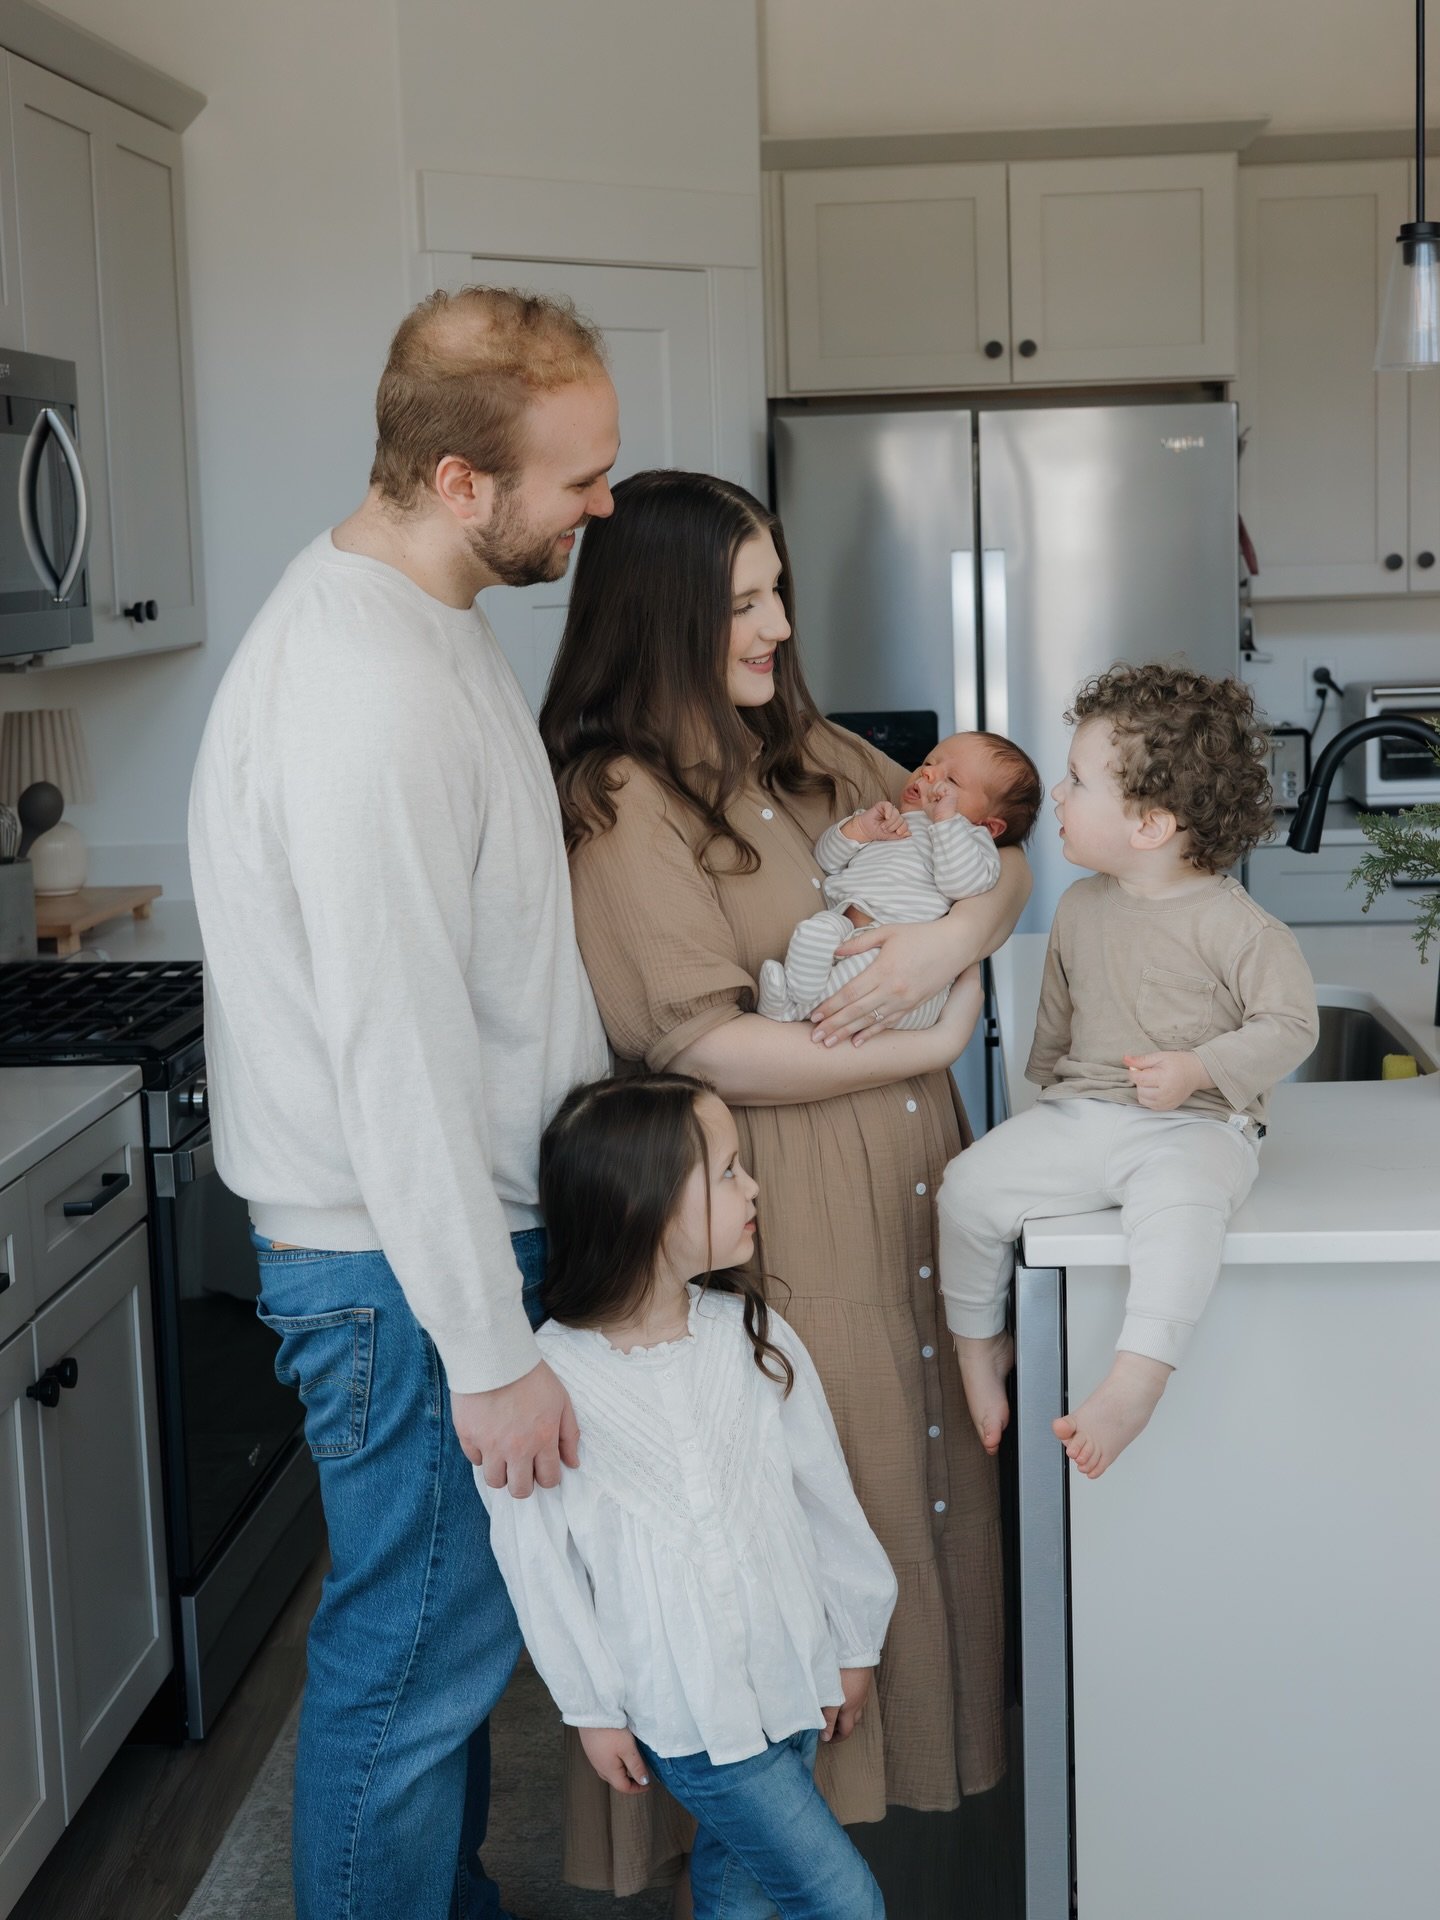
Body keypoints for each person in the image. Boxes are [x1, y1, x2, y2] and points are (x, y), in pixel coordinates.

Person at [539, 468, 1032, 1900]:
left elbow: (992, 860)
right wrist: (930, 1036)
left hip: (909, 1199)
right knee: (808, 1532)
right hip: (783, 1210)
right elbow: (693, 1041)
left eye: (777, 590)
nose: (774, 624)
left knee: (906, 1504)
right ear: (663, 613)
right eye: (742, 599)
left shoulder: (803, 748)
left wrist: (942, 960)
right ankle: (779, 1859)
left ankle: (835, 1857)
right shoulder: (621, 798)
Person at [188, 287, 619, 1920]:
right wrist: (490, 1354)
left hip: (424, 1255)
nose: (601, 508)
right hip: (399, 1271)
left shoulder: (429, 628)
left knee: (429, 1656)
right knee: (410, 1662)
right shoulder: (356, 691)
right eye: (578, 479)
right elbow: (396, 1059)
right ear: (458, 481)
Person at [480, 1071, 897, 1920]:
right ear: (645, 1205)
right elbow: (538, 1566)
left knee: (738, 1895)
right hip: (688, 1709)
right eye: (731, 1171)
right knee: (843, 1902)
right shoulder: (548, 1382)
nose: (755, 1189)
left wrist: (853, 1640)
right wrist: (592, 1707)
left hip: (789, 1673)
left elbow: (824, 1497)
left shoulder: (753, 1338)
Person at [939, 663, 1319, 1480]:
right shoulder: (1081, 905)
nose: (1060, 798)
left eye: (1077, 781)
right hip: (1086, 1115)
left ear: (1148, 824)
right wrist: (1039, 1108)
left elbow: (1291, 1025)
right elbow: (1057, 1023)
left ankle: (1135, 1382)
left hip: (1199, 1126)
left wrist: (1197, 1068)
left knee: (1181, 1217)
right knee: (966, 1189)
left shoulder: (1239, 928)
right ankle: (979, 1347)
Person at [757, 730, 1042, 1027]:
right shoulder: (887, 817)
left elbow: (962, 884)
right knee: (813, 933)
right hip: (845, 925)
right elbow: (824, 860)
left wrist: (945, 822)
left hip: (902, 958)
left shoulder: (973, 842)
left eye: (952, 780)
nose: (928, 773)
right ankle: (794, 998)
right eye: (928, 762)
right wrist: (859, 830)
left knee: (862, 976)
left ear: (990, 826)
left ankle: (792, 1012)